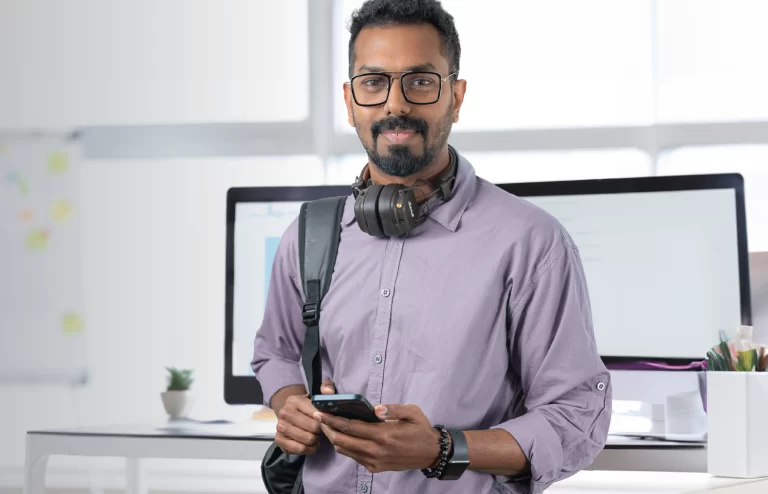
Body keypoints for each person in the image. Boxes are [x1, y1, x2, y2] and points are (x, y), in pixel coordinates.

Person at [251, 0, 611, 492]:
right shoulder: (311, 231)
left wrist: (442, 449)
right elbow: (275, 351)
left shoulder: (531, 242)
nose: (394, 104)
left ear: (456, 98)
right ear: (350, 99)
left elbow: (576, 417)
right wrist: (289, 403)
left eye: (420, 81)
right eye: (373, 82)